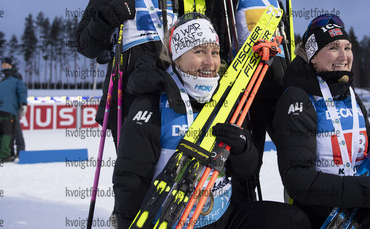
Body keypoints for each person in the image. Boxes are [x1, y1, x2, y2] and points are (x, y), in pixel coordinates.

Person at [112, 13, 310, 229]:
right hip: (171, 221)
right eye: (199, 51)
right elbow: (130, 181)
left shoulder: (226, 98)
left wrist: (243, 148)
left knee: (293, 221)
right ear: (176, 57)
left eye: (215, 53)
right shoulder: (151, 104)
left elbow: (248, 171)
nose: (210, 62)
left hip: (223, 218)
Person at [272, 14, 370, 228]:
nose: (343, 56)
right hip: (322, 220)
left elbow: (363, 155)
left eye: (347, 48)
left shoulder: (349, 94)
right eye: (333, 47)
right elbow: (300, 180)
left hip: (362, 217)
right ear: (312, 57)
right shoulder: (297, 98)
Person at [75, 0, 214, 148]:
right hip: (130, 93)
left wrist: (208, 5)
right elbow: (85, 45)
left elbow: (206, 47)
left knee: (174, 169)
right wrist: (109, 17)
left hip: (175, 92)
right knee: (135, 172)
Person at [211, 0, 287, 203]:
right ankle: (243, 209)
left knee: (293, 152)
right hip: (246, 83)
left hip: (278, 83)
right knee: (246, 159)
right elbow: (219, 30)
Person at [0, 57, 28, 162]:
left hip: (11, 107)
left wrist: (23, 104)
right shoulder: (3, 80)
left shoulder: (16, 76)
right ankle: (8, 152)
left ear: (11, 66)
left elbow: (20, 89)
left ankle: (19, 151)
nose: (4, 67)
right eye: (3, 65)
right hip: (5, 107)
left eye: (6, 65)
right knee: (7, 131)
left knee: (14, 129)